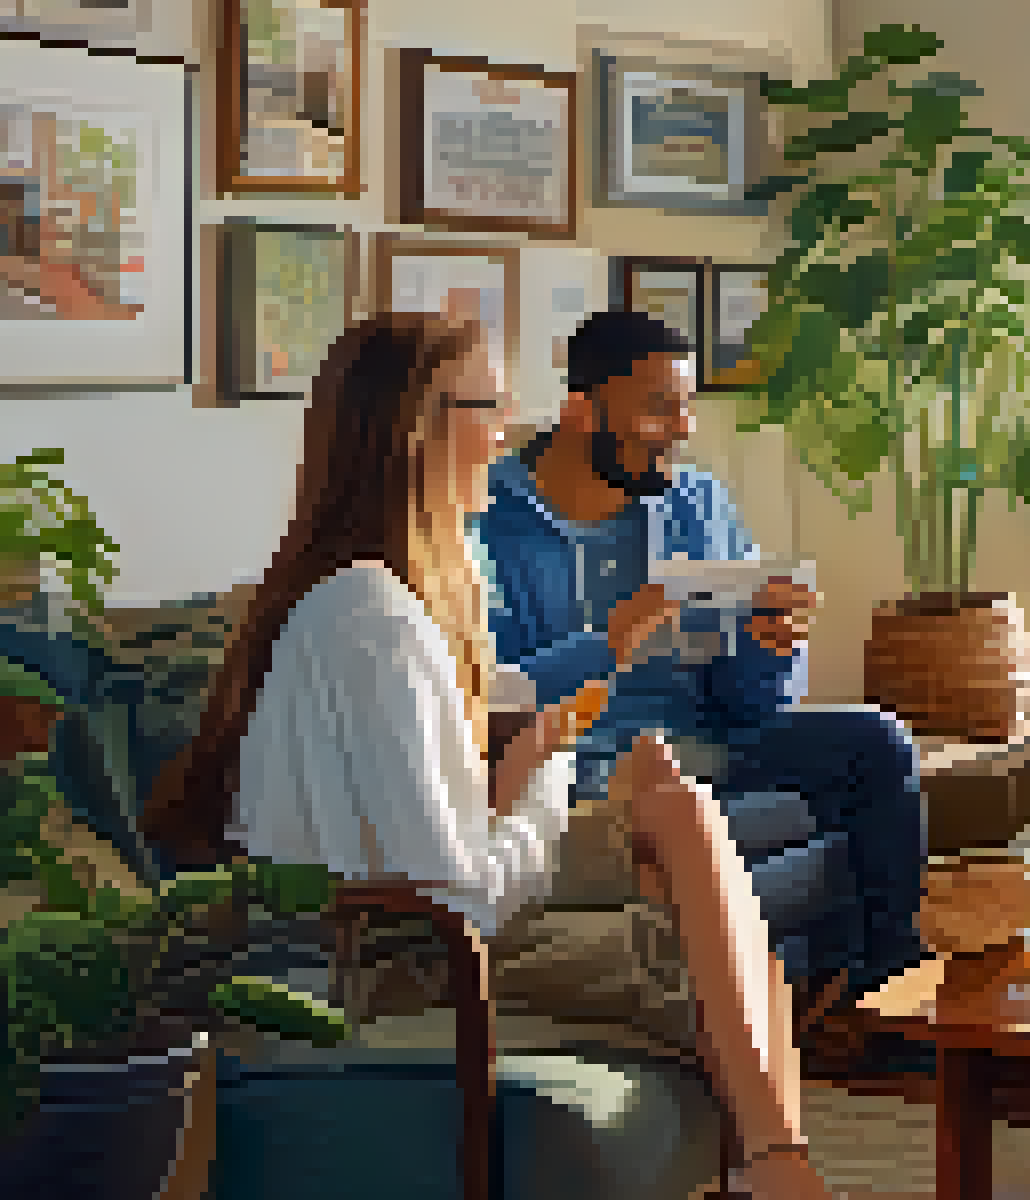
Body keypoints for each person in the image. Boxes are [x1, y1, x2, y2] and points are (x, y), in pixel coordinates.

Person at [141, 313, 837, 1198]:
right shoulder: (371, 619)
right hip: (392, 953)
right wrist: (541, 782)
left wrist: (529, 752)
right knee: (721, 944)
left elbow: (442, 801)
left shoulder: (391, 593)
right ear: (420, 429)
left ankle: (773, 1168)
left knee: (673, 801)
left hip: (410, 914)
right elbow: (455, 895)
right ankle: (777, 1166)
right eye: (492, 404)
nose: (511, 426)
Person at [472, 310, 923, 1038]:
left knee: (876, 742)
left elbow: (749, 705)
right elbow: (497, 697)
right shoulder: (489, 519)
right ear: (582, 409)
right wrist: (617, 633)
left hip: (705, 738)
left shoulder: (696, 504)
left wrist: (773, 649)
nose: (681, 428)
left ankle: (886, 1003)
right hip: (584, 764)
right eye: (658, 407)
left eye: (686, 406)